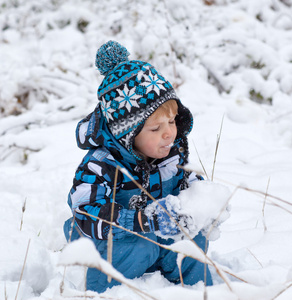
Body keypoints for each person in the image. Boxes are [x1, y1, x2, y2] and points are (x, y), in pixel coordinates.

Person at [63, 40, 212, 293]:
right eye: (156, 128)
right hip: (111, 238)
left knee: (192, 239)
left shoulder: (171, 153)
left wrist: (203, 205)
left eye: (172, 122)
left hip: (159, 230)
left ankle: (200, 292)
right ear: (127, 135)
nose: (169, 134)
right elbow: (86, 211)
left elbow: (190, 184)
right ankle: (104, 292)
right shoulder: (101, 164)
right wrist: (143, 220)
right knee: (138, 245)